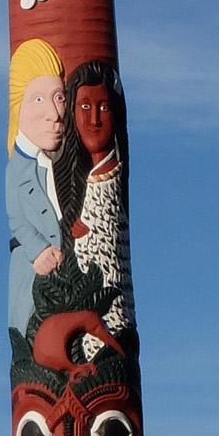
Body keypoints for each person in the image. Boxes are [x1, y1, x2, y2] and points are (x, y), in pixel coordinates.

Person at [63, 59, 133, 346]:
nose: (95, 120)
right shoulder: (87, 182)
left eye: (103, 107)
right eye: (85, 107)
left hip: (107, 330)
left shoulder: (109, 180)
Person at [5, 39, 67, 335]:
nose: (55, 113)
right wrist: (38, 250)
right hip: (34, 278)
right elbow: (17, 219)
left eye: (60, 98)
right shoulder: (18, 168)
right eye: (40, 99)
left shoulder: (61, 165)